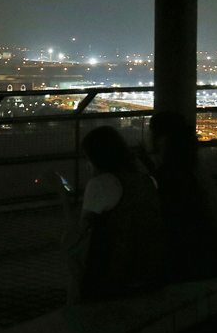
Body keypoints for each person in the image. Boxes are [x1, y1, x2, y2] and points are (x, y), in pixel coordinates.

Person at [59, 126, 165, 303]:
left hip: (116, 273)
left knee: (69, 247)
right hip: (150, 266)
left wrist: (61, 194)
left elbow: (77, 232)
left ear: (96, 158)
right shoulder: (146, 180)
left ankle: (78, 304)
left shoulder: (102, 183)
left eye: (88, 158)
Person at [147, 111, 217, 281]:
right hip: (211, 256)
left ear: (162, 139)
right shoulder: (195, 170)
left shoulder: (168, 177)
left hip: (186, 264)